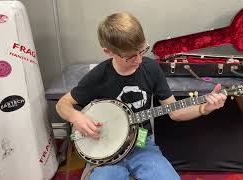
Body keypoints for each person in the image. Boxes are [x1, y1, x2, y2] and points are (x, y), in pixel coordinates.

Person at [56, 12, 227, 180]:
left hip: (142, 143)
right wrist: (76, 117)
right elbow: (62, 105)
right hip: (106, 151)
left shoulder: (151, 68)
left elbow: (175, 112)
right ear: (108, 52)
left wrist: (204, 108)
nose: (138, 60)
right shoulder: (99, 75)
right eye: (130, 56)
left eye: (142, 51)